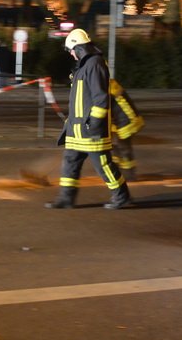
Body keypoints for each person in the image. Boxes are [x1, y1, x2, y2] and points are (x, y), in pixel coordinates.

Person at [46, 28, 132, 210]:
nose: (70, 53)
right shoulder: (85, 66)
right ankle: (66, 198)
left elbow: (101, 99)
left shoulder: (95, 64)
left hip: (90, 130)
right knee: (70, 162)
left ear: (78, 48)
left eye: (71, 50)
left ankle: (121, 196)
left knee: (104, 165)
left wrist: (94, 125)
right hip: (77, 130)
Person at [109, 78, 144, 181]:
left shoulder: (104, 88)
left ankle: (129, 176)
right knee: (115, 146)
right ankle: (120, 172)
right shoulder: (109, 83)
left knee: (123, 148)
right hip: (126, 119)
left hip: (127, 121)